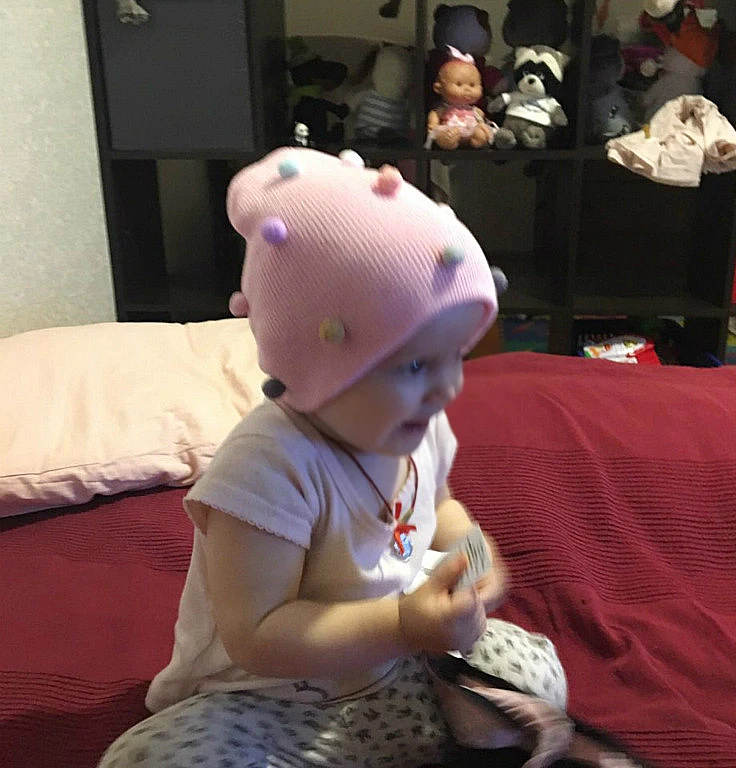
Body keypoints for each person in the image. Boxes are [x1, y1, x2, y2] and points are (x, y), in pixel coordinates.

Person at [98, 148, 637, 768]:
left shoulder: (417, 425)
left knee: (534, 675)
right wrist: (403, 624)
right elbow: (259, 634)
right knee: (148, 761)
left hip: (400, 670)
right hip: (274, 701)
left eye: (457, 356)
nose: (448, 388)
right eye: (416, 365)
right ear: (320, 362)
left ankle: (431, 732)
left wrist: (475, 562)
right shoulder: (267, 467)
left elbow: (440, 507)